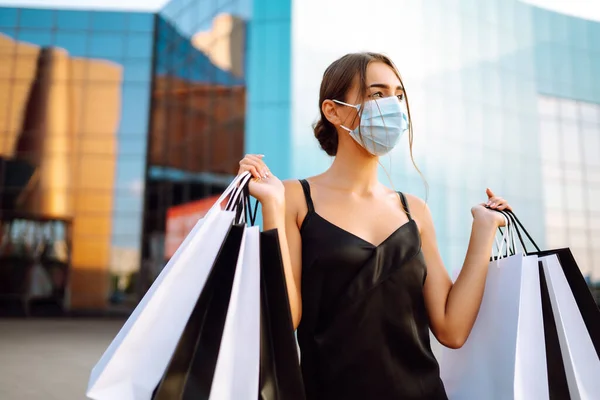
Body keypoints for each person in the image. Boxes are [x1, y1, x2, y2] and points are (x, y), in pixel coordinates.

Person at [238, 52, 512, 400]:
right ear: (332, 110)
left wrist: (484, 229)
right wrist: (272, 206)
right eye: (377, 94)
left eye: (398, 95)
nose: (393, 106)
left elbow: (451, 328)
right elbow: (285, 317)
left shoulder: (414, 210)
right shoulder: (293, 197)